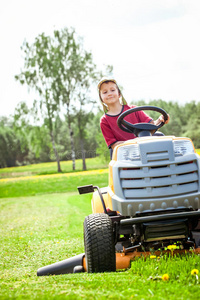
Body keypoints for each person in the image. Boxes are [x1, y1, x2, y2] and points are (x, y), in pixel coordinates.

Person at [98, 77, 170, 151]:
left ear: (119, 94)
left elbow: (152, 126)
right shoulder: (104, 121)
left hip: (145, 147)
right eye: (105, 92)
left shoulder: (133, 110)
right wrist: (135, 143)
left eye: (112, 90)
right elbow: (114, 145)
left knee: (160, 136)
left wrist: (161, 120)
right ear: (101, 98)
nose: (109, 94)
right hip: (126, 153)